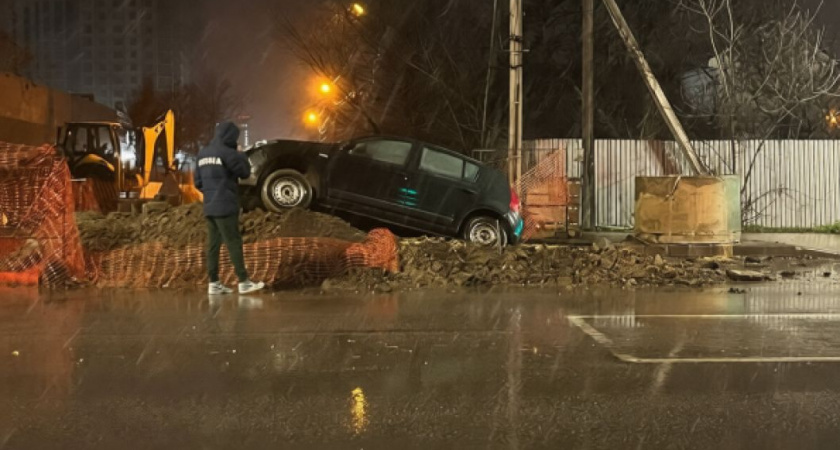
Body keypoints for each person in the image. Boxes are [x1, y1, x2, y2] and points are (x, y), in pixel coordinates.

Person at [194, 122, 265, 295]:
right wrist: (240, 154)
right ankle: (243, 281)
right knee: (234, 242)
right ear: (231, 136)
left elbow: (198, 182)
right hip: (226, 205)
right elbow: (245, 172)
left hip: (209, 206)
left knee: (213, 245)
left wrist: (211, 193)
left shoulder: (203, 153)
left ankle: (214, 283)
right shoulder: (229, 153)